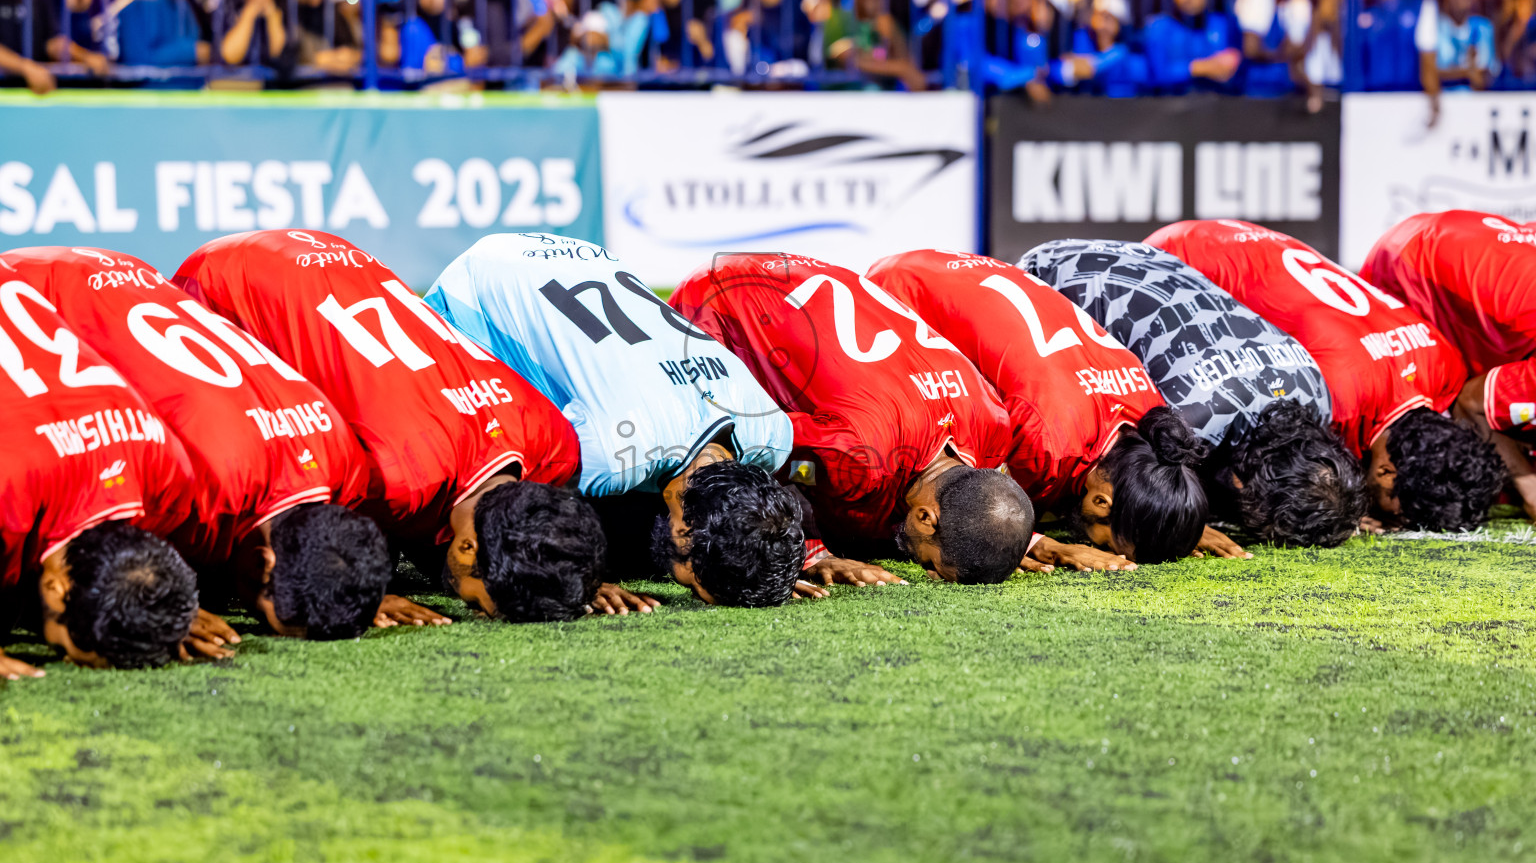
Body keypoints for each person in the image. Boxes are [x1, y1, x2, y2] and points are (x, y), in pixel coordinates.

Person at [172, 230, 622, 625]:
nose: (480, 607)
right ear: (467, 549)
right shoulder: (393, 480)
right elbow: (307, 544)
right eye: (484, 606)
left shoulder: (555, 441)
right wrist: (350, 587)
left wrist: (560, 576)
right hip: (228, 281)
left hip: (336, 255)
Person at [427, 234, 894, 605]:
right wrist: (577, 576)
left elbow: (772, 497)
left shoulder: (769, 429)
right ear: (685, 534)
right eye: (695, 583)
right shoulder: (613, 453)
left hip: (586, 255)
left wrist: (766, 557)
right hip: (478, 282)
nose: (686, 584)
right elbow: (519, 509)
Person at [2, 247, 414, 648]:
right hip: (40, 286)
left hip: (120, 273)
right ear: (261, 564)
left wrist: (343, 589)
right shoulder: (197, 493)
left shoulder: (342, 457)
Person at [867, 250, 1249, 566]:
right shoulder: (1048, 445)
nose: (1101, 548)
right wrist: (1039, 543)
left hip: (952, 268)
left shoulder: (1150, 414)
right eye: (1109, 544)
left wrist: (1168, 518)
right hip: (898, 290)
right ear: (1102, 502)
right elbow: (974, 503)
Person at [672, 254, 1031, 585]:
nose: (927, 570)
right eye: (931, 566)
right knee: (701, 434)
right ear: (926, 518)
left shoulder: (993, 422)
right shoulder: (862, 457)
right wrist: (811, 551)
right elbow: (762, 441)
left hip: (807, 276)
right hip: (720, 298)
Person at [1148, 221, 1503, 532]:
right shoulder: (1334, 401)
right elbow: (1254, 469)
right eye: (1397, 514)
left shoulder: (1445, 363)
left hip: (1251, 240)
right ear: (1385, 473)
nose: (1394, 520)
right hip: (1185, 256)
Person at [1023, 240, 1365, 548]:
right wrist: (1173, 519)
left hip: (1135, 255)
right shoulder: (1188, 418)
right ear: (1240, 484)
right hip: (1048, 276)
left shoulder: (1317, 392)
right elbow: (1121, 478)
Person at [0, 273, 198, 679]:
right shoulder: (8, 497)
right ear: (57, 588)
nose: (66, 658)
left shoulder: (167, 469)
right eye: (73, 653)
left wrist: (152, 612)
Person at [1362, 211, 1536, 524]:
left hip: (1473, 256)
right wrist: (1531, 490)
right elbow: (1470, 405)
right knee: (1404, 401)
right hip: (1413, 264)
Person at [1143, 0, 1243, 94]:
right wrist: (1201, 68)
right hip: (1170, 106)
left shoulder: (1222, 24)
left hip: (1217, 103)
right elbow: (1158, 74)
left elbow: (1233, 66)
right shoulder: (1159, 27)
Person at [1054, 0, 1147, 97]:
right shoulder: (1084, 40)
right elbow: (1056, 71)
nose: (1100, 24)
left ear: (1120, 24)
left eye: (1108, 18)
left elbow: (1090, 69)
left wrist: (1075, 63)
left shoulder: (1122, 54)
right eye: (1097, 16)